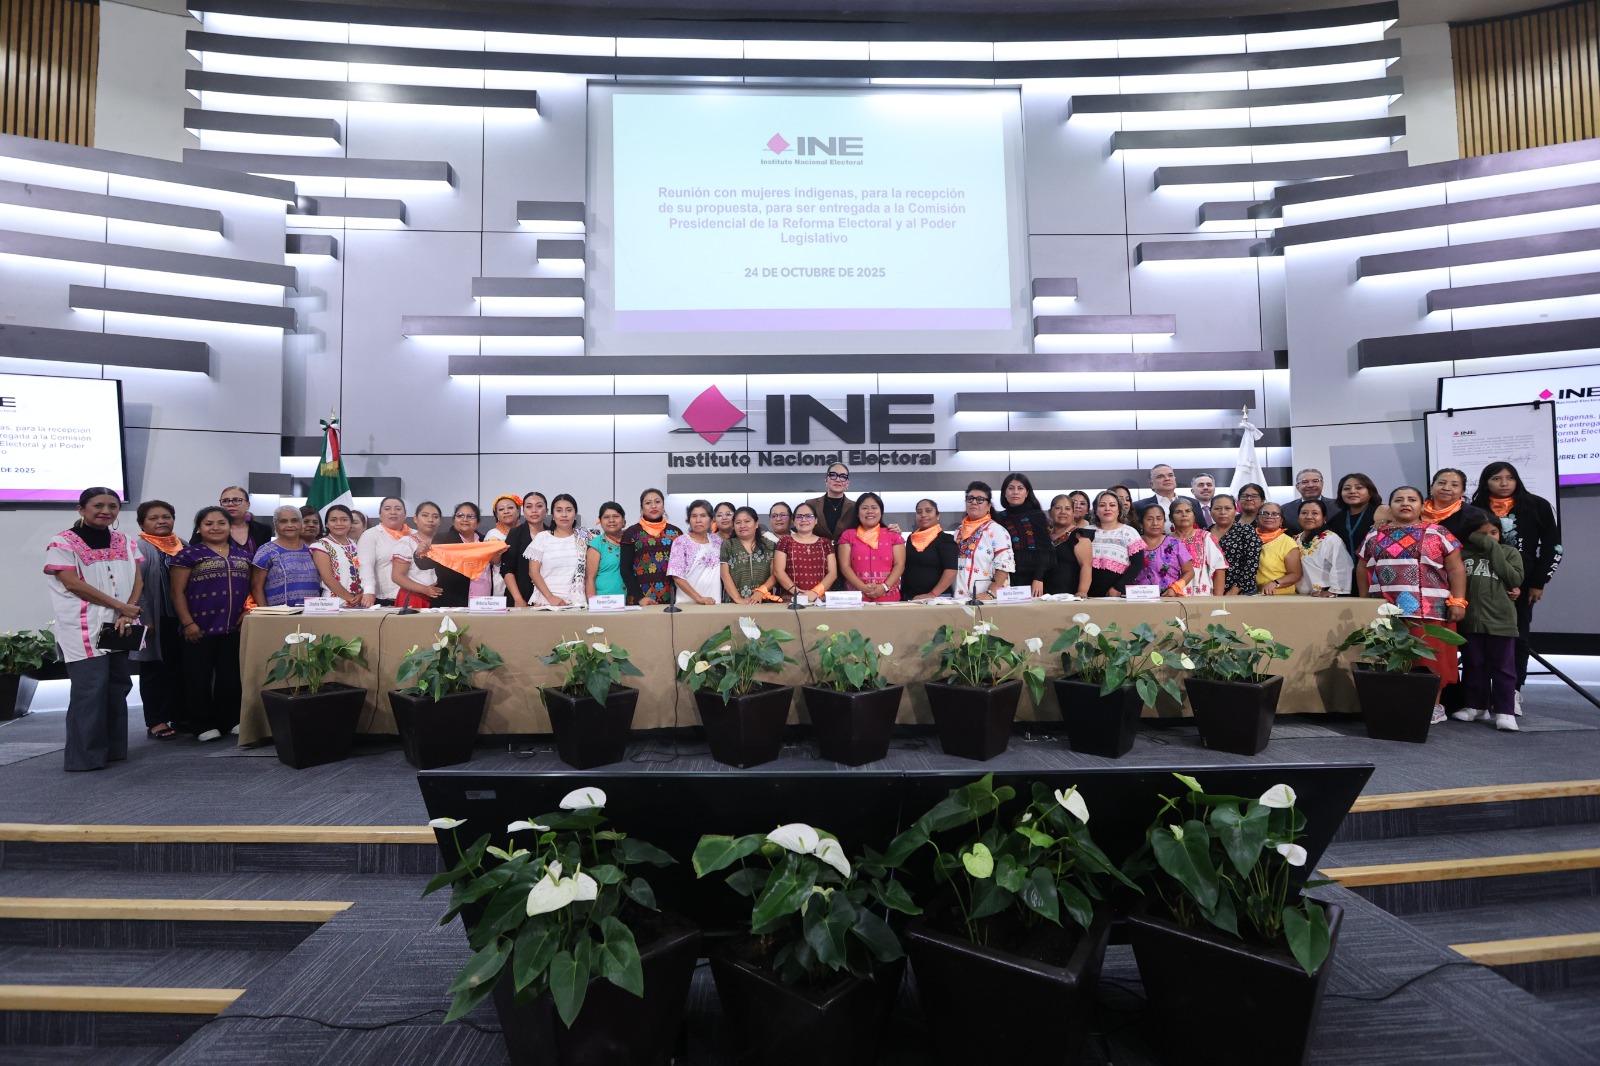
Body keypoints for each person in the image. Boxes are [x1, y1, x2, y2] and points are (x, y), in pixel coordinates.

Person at [45, 488, 143, 770]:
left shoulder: (125, 541)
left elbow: (138, 577)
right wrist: (121, 607)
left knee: (118, 686)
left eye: (112, 506)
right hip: (83, 626)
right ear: (81, 509)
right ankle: (84, 757)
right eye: (98, 505)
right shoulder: (62, 542)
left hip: (121, 623)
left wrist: (129, 608)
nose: (106, 511)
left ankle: (113, 751)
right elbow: (74, 584)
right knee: (91, 690)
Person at [1357, 486, 1468, 724]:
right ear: (1390, 506)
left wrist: (1458, 601)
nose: (1405, 503)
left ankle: (1434, 706)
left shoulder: (1438, 532)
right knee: (1388, 658)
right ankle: (1396, 703)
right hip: (1385, 609)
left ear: (1422, 505)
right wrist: (1363, 600)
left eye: (1411, 499)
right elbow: (1362, 566)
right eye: (1398, 499)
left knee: (1429, 660)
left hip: (1430, 609)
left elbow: (1456, 568)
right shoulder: (1373, 535)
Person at [1470, 460, 1562, 714]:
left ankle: (1513, 691)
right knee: (1477, 639)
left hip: (1521, 583)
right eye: (1496, 479)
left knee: (1517, 637)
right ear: (1486, 482)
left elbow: (1553, 547)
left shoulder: (1537, 506)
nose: (1503, 483)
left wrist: (1538, 582)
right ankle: (1478, 697)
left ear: (1517, 480)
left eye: (1509, 478)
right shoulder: (1473, 509)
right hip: (1479, 583)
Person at [170, 505, 251, 743]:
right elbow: (177, 592)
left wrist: (248, 610)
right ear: (199, 528)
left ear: (230, 527)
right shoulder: (187, 556)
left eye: (221, 523)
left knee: (231, 677)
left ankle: (230, 719)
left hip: (233, 627)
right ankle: (202, 723)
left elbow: (252, 589)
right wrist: (187, 623)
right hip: (198, 627)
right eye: (208, 523)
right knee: (198, 677)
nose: (215, 528)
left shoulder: (244, 556)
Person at [1451, 515, 1525, 731]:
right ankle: (1476, 706)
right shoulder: (1462, 555)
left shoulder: (1509, 553)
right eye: (1482, 534)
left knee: (1503, 668)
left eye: (1493, 533)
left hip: (1501, 620)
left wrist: (1491, 548)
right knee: (1474, 664)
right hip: (1471, 620)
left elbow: (1514, 579)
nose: (1488, 538)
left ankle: (1505, 711)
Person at [133, 499, 185, 740]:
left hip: (181, 618)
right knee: (154, 670)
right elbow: (135, 586)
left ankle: (179, 715)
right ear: (142, 523)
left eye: (166, 516)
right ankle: (156, 721)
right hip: (155, 617)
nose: (161, 521)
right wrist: (143, 616)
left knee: (180, 669)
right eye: (153, 518)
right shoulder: (138, 547)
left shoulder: (182, 545)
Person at [951, 481, 1014, 600]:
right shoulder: (958, 532)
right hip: (960, 600)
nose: (974, 502)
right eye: (970, 499)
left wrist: (990, 593)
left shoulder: (997, 531)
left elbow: (1005, 566)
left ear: (989, 505)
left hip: (987, 601)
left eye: (980, 499)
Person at [838, 492, 905, 603]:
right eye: (864, 508)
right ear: (858, 513)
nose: (870, 511)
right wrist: (863, 588)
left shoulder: (893, 535)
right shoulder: (848, 535)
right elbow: (845, 566)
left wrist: (884, 587)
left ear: (881, 512)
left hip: (889, 598)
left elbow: (900, 564)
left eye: (874, 508)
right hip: (856, 599)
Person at [250, 506, 322, 607]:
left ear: (301, 524)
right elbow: (256, 587)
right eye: (283, 521)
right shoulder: (266, 551)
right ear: (275, 525)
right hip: (280, 617)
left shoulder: (311, 551)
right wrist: (265, 614)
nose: (290, 525)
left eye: (294, 521)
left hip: (312, 614)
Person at [996, 473, 1055, 596]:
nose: (1015, 492)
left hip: (1033, 580)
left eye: (1020, 488)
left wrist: (1039, 578)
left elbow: (1046, 550)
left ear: (1027, 493)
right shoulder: (998, 518)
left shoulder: (1037, 516)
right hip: (1006, 578)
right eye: (1011, 488)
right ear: (1005, 493)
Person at [431, 502, 498, 608]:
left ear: (478, 523)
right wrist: (419, 552)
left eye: (470, 516)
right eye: (460, 515)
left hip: (484, 603)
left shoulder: (485, 541)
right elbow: (425, 564)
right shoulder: (443, 540)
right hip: (453, 602)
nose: (465, 519)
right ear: (454, 520)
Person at [621, 488, 679, 607]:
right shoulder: (632, 533)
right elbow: (625, 569)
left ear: (663, 505)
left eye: (657, 502)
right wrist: (640, 597)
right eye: (648, 503)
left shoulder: (676, 533)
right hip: (640, 600)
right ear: (642, 507)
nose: (653, 506)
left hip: (672, 600)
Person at [527, 494, 588, 607]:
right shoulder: (542, 537)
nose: (564, 515)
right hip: (547, 601)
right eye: (559, 510)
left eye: (569, 510)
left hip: (577, 602)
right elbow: (533, 572)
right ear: (553, 515)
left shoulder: (584, 538)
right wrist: (551, 598)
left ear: (575, 514)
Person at [774, 501, 836, 603]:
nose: (804, 520)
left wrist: (815, 592)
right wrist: (798, 593)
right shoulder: (785, 541)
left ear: (816, 520)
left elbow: (833, 573)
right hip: (791, 600)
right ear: (794, 521)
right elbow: (778, 571)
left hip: (820, 600)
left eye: (808, 516)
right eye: (799, 517)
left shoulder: (826, 543)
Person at [356, 497, 413, 606]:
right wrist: (368, 590)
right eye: (387, 509)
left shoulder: (415, 535)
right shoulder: (370, 535)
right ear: (380, 514)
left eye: (398, 509)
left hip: (413, 597)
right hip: (384, 598)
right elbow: (366, 565)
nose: (393, 512)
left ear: (405, 513)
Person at [1087, 490, 1144, 598]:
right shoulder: (1086, 531)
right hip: (1088, 593)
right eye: (1102, 505)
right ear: (1095, 510)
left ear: (1119, 510)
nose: (1107, 509)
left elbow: (1138, 564)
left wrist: (1119, 587)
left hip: (1116, 593)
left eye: (1112, 505)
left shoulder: (1129, 532)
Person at [668, 499, 723, 605]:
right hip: (688, 605)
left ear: (711, 520)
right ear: (689, 520)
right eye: (694, 516)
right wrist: (699, 598)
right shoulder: (681, 542)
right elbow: (677, 576)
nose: (698, 520)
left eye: (703, 516)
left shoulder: (718, 541)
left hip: (714, 603)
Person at [1132, 501, 1194, 597]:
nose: (1155, 523)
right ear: (1141, 523)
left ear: (1164, 521)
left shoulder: (1174, 544)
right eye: (1149, 519)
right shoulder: (1133, 544)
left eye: (1159, 519)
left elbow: (1189, 572)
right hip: (1138, 599)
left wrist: (1175, 588)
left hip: (1169, 598)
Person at [900, 498, 957, 600]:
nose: (923, 515)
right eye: (919, 512)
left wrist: (932, 595)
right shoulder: (911, 538)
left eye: (928, 511)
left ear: (937, 515)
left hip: (937, 599)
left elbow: (951, 571)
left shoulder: (945, 539)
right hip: (910, 598)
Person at [720, 505, 778, 605]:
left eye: (747, 521)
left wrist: (761, 592)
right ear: (733, 526)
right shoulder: (728, 545)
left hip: (763, 602)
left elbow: (775, 574)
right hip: (734, 603)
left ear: (756, 524)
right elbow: (724, 574)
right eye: (738, 522)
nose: (742, 525)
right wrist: (738, 599)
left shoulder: (769, 545)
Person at [1294, 500, 1352, 597]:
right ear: (1298, 518)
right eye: (1304, 513)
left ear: (1324, 518)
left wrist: (1333, 591)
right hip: (1299, 596)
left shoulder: (1331, 539)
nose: (1309, 517)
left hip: (1324, 596)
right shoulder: (1294, 539)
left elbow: (1343, 566)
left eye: (1315, 513)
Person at [1329, 473, 1383, 579]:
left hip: (1375, 575)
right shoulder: (1336, 519)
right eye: (1346, 489)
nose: (1352, 491)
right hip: (1345, 577)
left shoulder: (1381, 512)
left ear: (1370, 492)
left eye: (1359, 488)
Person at [391, 501, 443, 609]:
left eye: (435, 516)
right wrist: (424, 589)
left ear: (440, 521)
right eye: (425, 515)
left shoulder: (444, 542)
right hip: (414, 598)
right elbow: (397, 576)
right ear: (415, 519)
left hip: (439, 599)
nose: (430, 520)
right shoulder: (407, 542)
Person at [309, 504, 363, 605]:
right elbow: (328, 579)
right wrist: (351, 599)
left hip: (360, 602)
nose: (339, 523)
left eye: (344, 520)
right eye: (333, 520)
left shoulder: (357, 544)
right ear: (326, 524)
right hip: (333, 603)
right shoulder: (321, 546)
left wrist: (362, 595)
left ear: (351, 523)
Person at [502, 492, 549, 608]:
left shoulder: (552, 534)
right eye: (528, 507)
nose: (534, 510)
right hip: (519, 597)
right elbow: (507, 570)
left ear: (547, 511)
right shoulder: (515, 533)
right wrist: (518, 598)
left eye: (539, 506)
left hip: (547, 597)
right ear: (523, 512)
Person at [1172, 498, 1226, 596]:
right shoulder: (1166, 540)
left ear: (1194, 516)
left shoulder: (1205, 537)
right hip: (1172, 596)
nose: (1184, 515)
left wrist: (1218, 599)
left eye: (1188, 511)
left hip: (1201, 596)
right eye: (1178, 512)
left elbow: (1219, 568)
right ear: (1171, 518)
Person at [1423, 468, 1491, 544]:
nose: (1446, 488)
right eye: (1441, 483)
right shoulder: (1417, 512)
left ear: (1462, 491)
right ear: (1431, 487)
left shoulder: (1475, 516)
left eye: (1454, 485)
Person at [1043, 494, 1092, 598]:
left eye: (1067, 509)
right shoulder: (1045, 537)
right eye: (1058, 508)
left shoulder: (1079, 536)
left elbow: (1086, 566)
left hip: (1069, 597)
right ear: (1050, 512)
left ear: (1073, 513)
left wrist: (1082, 591)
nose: (1063, 512)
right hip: (1044, 596)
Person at [1209, 494, 1259, 595]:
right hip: (1208, 590)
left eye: (1228, 508)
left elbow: (1251, 564)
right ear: (1210, 511)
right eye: (1217, 508)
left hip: (1241, 590)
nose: (1223, 512)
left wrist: (1234, 590)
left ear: (1235, 510)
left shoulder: (1246, 531)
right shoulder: (1204, 532)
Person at [1253, 503, 1303, 595]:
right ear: (1257, 518)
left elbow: (1295, 575)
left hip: (1279, 595)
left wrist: (1275, 583)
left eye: (1275, 514)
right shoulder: (1249, 538)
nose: (1269, 517)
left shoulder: (1287, 543)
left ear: (1281, 521)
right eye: (1265, 513)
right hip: (1251, 594)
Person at [802, 463, 858, 541]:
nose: (838, 480)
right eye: (833, 475)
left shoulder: (855, 507)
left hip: (846, 551)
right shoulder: (811, 504)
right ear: (826, 479)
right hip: (817, 551)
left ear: (848, 483)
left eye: (843, 477)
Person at [586, 502, 628, 599]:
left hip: (631, 603)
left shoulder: (631, 541)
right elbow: (590, 579)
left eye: (616, 516)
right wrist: (593, 606)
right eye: (606, 517)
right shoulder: (596, 544)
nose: (611, 520)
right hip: (604, 603)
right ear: (600, 521)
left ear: (623, 520)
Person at [484, 493, 523, 600]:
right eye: (501, 509)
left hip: (526, 581)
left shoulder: (527, 531)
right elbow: (493, 561)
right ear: (496, 514)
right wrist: (498, 552)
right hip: (502, 584)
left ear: (518, 511)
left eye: (510, 508)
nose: (506, 511)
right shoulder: (493, 535)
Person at [1282, 469, 1339, 535]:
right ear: (1297, 487)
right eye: (1304, 482)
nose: (1310, 485)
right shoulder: (1285, 510)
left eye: (1315, 481)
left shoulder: (1338, 506)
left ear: (1322, 484)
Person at [1134, 463, 1189, 531]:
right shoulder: (1139, 506)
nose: (1167, 479)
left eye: (1170, 475)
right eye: (1160, 477)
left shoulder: (1192, 502)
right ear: (1151, 484)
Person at [217, 486, 270, 553]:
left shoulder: (264, 529)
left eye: (236, 500)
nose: (230, 504)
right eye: (225, 501)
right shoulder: (213, 529)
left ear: (248, 505)